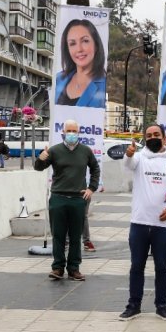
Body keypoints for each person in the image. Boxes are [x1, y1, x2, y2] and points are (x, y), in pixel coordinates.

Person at [119, 124, 166, 322]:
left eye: (156, 134)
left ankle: (162, 306)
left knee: (162, 267)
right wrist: (129, 153)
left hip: (163, 226)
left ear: (164, 137)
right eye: (149, 135)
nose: (153, 137)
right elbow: (127, 166)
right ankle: (133, 305)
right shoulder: (139, 158)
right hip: (139, 223)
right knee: (136, 266)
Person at [34, 120, 100, 281]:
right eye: (68, 130)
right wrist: (40, 158)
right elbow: (38, 168)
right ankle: (57, 268)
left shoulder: (86, 151)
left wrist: (91, 188)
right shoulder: (55, 151)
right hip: (58, 198)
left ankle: (74, 268)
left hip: (78, 199)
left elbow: (95, 169)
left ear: (78, 132)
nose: (71, 133)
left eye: (74, 130)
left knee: (76, 236)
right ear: (63, 132)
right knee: (58, 235)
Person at [54, 19, 106, 108]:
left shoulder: (105, 84)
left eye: (85, 41)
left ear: (96, 45)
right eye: (72, 43)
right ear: (67, 49)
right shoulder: (58, 79)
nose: (79, 49)